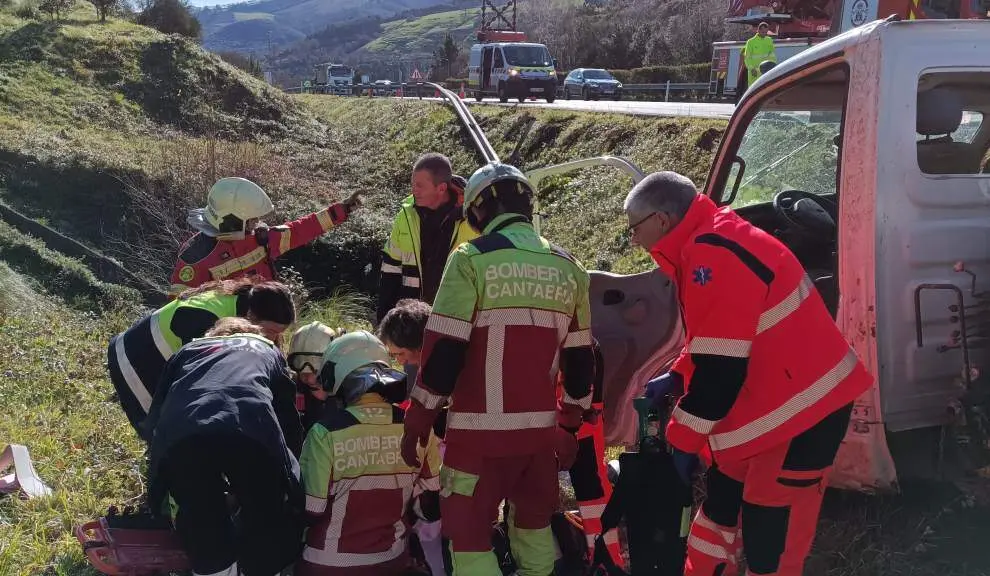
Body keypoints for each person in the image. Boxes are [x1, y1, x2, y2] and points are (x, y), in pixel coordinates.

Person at [623, 172, 872, 576]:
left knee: (769, 544)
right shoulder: (710, 243)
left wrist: (681, 440)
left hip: (804, 415)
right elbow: (720, 337)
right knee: (716, 517)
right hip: (775, 411)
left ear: (661, 220)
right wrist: (679, 373)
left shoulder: (712, 252)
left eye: (634, 229)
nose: (635, 241)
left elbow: (721, 372)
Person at [401, 162, 595, 575]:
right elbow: (581, 357)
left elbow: (445, 351)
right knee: (534, 525)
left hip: (478, 437)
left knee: (470, 536)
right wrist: (570, 424)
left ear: (477, 212)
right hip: (541, 436)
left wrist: (419, 419)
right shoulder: (570, 267)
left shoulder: (470, 259)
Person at [143, 317, 306, 576]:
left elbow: (156, 412)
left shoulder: (188, 350)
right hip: (248, 421)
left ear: (214, 333)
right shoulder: (265, 347)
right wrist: (289, 470)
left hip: (183, 428)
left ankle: (214, 568)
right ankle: (262, 567)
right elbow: (286, 413)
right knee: (265, 509)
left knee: (201, 518)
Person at [297, 330, 441, 576]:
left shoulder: (324, 433)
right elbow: (429, 509)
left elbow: (312, 509)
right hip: (391, 559)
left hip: (327, 563)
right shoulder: (418, 429)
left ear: (339, 374)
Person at [107, 277, 296, 437]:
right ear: (251, 315)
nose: (272, 338)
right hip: (135, 359)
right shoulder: (206, 319)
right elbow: (202, 383)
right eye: (270, 331)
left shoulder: (246, 303)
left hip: (164, 354)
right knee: (164, 433)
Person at [168, 177, 362, 298]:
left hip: (266, 328)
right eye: (251, 220)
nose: (256, 224)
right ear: (232, 220)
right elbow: (177, 307)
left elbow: (299, 230)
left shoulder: (259, 238)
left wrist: (340, 211)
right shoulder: (196, 257)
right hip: (225, 340)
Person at [376, 298, 447, 576]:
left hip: (452, 455)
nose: (399, 361)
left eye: (400, 353)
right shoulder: (437, 358)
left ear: (418, 343)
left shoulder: (442, 366)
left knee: (433, 525)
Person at [376, 153, 478, 324]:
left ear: (441, 188)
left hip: (458, 319)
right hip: (412, 321)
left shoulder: (473, 218)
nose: (413, 190)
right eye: (412, 184)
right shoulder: (406, 215)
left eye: (420, 185)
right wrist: (383, 321)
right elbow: (390, 270)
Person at [287, 321, 342, 431]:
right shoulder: (290, 391)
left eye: (316, 367)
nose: (310, 379)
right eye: (301, 365)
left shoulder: (348, 391)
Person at [743, 22, 776, 89]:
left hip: (766, 72)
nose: (764, 34)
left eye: (766, 32)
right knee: (753, 91)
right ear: (758, 30)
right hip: (754, 73)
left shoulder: (769, 40)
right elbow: (747, 58)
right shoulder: (751, 42)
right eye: (763, 32)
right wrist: (752, 69)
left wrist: (773, 67)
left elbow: (772, 55)